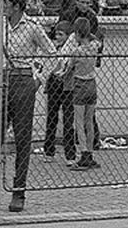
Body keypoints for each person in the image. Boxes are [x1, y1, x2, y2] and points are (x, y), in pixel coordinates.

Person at [0, 0, 56, 214]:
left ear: (17, 5)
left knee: (22, 138)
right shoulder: (0, 25)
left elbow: (52, 53)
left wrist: (39, 78)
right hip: (2, 80)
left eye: (7, 2)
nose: (4, 6)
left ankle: (19, 191)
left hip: (23, 79)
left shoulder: (32, 27)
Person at [66, 15, 103, 170]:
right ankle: (91, 152)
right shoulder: (95, 45)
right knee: (89, 121)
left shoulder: (77, 51)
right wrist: (89, 35)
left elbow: (68, 68)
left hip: (80, 84)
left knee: (79, 122)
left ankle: (83, 153)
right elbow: (98, 41)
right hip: (92, 83)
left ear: (77, 33)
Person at [42, 21, 77, 165]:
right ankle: (49, 150)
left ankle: (70, 154)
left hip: (67, 85)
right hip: (54, 84)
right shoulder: (52, 48)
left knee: (68, 121)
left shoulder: (71, 49)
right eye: (56, 34)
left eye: (61, 34)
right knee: (51, 118)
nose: (58, 37)